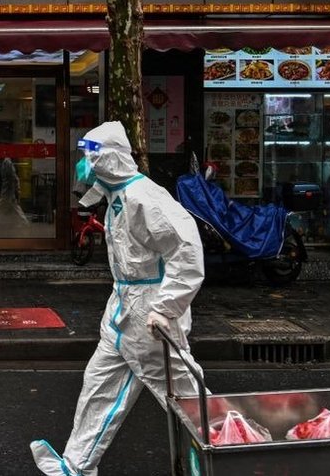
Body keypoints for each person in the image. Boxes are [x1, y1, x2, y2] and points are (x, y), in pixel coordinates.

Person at [30, 121, 206, 476]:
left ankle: (221, 457)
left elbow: (186, 253)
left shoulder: (147, 199)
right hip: (123, 312)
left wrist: (165, 308)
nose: (85, 164)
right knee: (99, 385)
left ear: (110, 159)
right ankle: (76, 465)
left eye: (90, 156)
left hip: (151, 316)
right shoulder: (116, 199)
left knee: (184, 396)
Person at [0, 157, 30, 234]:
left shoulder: (5, 162)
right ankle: (24, 222)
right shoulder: (8, 162)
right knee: (14, 208)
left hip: (7, 192)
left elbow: (9, 178)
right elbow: (12, 178)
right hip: (9, 191)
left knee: (0, 208)